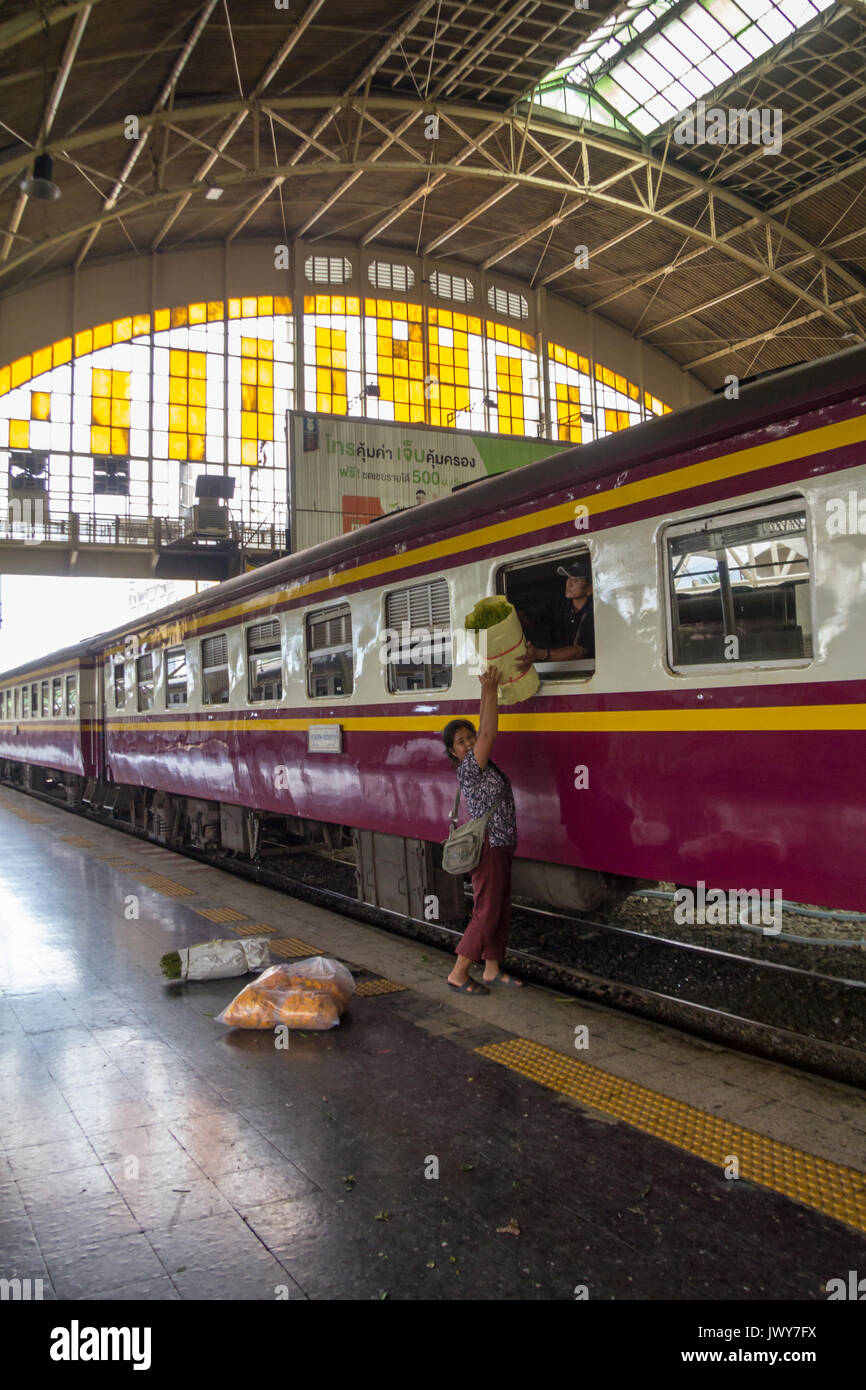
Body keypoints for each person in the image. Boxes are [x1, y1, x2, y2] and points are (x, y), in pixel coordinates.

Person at [441, 667, 522, 995]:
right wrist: (489, 688)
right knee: (486, 911)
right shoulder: (471, 769)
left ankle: (491, 969)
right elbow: (489, 733)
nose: (469, 742)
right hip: (489, 847)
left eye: (469, 737)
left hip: (501, 844)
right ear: (453, 753)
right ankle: (459, 972)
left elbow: (483, 729)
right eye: (460, 742)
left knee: (500, 907)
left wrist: (487, 694)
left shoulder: (479, 764)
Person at [519, 561, 594, 669]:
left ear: (589, 589)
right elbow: (531, 616)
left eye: (576, 580)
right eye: (568, 578)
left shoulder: (593, 611)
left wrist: (539, 653)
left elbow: (579, 651)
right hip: (560, 668)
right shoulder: (560, 604)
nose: (569, 583)